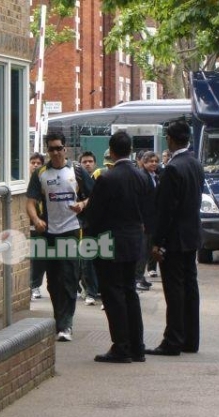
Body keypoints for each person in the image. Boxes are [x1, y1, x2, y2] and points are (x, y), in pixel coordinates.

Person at [85, 130, 149, 363]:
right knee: (130, 292)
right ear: (130, 149)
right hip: (133, 241)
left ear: (110, 151)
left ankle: (121, 346)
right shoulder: (141, 176)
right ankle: (137, 346)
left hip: (109, 242)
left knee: (113, 295)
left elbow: (94, 213)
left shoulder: (107, 178)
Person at [146, 120, 204, 356]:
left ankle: (173, 340)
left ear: (170, 139)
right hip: (192, 236)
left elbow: (166, 209)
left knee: (175, 290)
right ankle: (190, 339)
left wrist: (157, 241)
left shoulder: (173, 168)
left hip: (175, 238)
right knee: (190, 288)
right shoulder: (195, 164)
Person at [26, 131, 82, 342]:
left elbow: (93, 196)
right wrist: (36, 220)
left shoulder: (75, 171)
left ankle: (66, 324)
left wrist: (82, 204)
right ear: (48, 151)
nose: (56, 152)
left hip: (70, 231)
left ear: (65, 149)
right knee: (53, 281)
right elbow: (30, 201)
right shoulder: (40, 173)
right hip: (49, 232)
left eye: (59, 148)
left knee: (69, 277)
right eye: (52, 149)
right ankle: (60, 320)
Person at [78, 151, 100, 305]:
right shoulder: (74, 182)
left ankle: (93, 289)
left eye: (90, 161)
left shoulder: (101, 180)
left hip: (97, 225)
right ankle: (88, 290)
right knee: (86, 260)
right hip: (80, 226)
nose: (87, 164)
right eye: (84, 161)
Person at [135, 151, 160, 290]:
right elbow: (140, 200)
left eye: (156, 161)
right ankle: (137, 278)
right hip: (144, 220)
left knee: (147, 249)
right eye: (151, 161)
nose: (154, 163)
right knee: (142, 250)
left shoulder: (154, 176)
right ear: (144, 162)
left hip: (152, 219)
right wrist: (141, 221)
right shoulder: (142, 177)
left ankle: (141, 276)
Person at [29, 152, 46, 300]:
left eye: (38, 163)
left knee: (40, 259)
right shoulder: (23, 182)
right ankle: (30, 285)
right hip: (26, 227)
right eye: (33, 162)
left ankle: (35, 286)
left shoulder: (44, 182)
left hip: (41, 227)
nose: (35, 165)